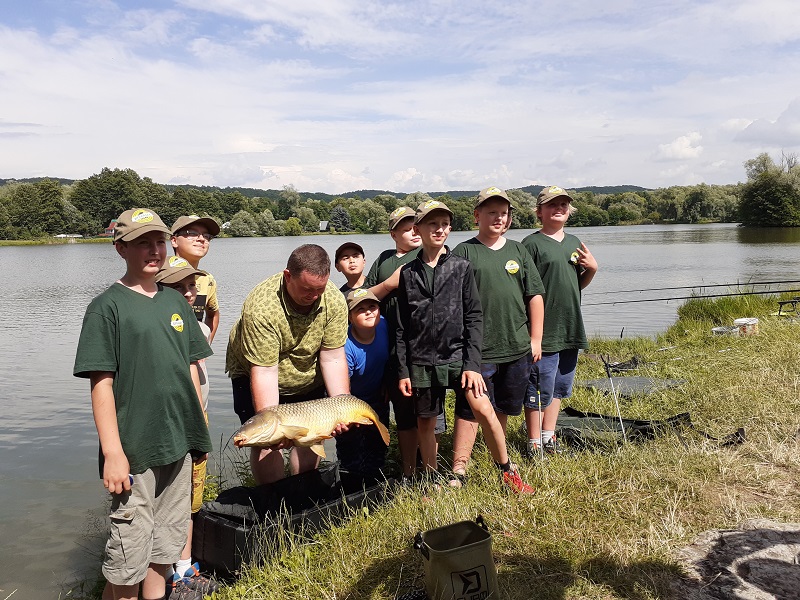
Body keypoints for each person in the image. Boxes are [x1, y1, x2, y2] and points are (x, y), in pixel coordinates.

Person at [73, 209, 212, 600]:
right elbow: (101, 384)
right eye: (143, 243)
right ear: (121, 249)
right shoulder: (107, 307)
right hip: (134, 451)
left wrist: (196, 434)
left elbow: (189, 371)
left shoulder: (176, 301)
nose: (155, 250)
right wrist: (113, 452)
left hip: (178, 446)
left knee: (162, 555)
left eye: (159, 242)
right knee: (126, 565)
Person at [395, 200, 534, 493]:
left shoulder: (461, 266)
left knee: (484, 410)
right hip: (421, 359)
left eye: (445, 224)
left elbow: (474, 317)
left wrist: (472, 364)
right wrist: (404, 370)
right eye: (432, 224)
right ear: (418, 229)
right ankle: (431, 479)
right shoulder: (407, 273)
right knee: (426, 423)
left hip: (459, 356)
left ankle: (507, 470)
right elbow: (401, 327)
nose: (440, 229)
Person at [226, 244, 351, 485]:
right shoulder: (261, 307)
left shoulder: (334, 299)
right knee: (267, 443)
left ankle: (301, 494)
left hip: (307, 370)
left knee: (311, 436)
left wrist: (341, 408)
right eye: (306, 289)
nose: (313, 296)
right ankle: (274, 503)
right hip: (257, 372)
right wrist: (274, 429)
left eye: (319, 289)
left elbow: (333, 358)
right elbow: (264, 371)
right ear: (287, 276)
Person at [451, 186, 545, 482]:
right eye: (491, 212)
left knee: (503, 406)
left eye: (503, 213)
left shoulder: (519, 250)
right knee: (469, 408)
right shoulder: (464, 251)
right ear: (477, 216)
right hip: (479, 349)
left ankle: (497, 457)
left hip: (516, 345)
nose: (498, 218)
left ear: (509, 219)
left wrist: (536, 339)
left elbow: (535, 296)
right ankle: (460, 465)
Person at [154, 257, 219, 597]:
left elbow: (196, 373)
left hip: (193, 427)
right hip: (163, 429)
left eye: (192, 286)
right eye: (180, 288)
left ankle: (183, 568)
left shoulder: (190, 325)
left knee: (190, 500)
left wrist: (199, 427)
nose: (190, 294)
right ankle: (161, 572)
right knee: (159, 501)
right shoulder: (153, 321)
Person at [521, 186, 598, 457]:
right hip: (544, 329)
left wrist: (592, 269)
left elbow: (577, 283)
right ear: (539, 211)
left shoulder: (574, 241)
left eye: (564, 204)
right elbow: (524, 290)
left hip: (570, 325)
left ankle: (548, 436)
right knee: (538, 386)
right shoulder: (530, 245)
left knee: (559, 387)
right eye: (553, 205)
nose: (559, 208)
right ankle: (533, 443)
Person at [362, 206, 426, 479]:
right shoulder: (385, 259)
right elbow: (366, 296)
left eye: (416, 226)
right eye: (406, 228)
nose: (414, 231)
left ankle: (430, 466)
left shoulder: (429, 255)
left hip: (424, 348)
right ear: (393, 234)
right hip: (392, 351)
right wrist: (389, 283)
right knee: (403, 412)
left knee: (427, 410)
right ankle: (408, 470)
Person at [335, 288, 391, 481]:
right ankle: (352, 488)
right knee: (351, 452)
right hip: (350, 405)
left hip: (377, 399)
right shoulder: (345, 346)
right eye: (360, 309)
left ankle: (376, 485)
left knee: (377, 448)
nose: (369, 312)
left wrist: (387, 381)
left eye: (372, 306)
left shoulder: (384, 326)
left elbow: (391, 358)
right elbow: (342, 386)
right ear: (350, 317)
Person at [171, 215, 221, 343]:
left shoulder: (207, 279)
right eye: (192, 233)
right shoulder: (159, 275)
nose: (201, 239)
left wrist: (204, 347)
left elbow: (213, 314)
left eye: (206, 236)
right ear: (174, 241)